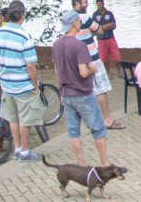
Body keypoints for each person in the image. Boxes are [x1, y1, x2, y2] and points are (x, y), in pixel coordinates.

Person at [52, 9, 110, 167]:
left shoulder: (56, 44)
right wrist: (93, 68)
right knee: (98, 129)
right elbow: (83, 72)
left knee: (73, 131)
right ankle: (105, 163)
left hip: (66, 93)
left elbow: (57, 72)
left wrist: (61, 93)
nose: (80, 23)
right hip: (82, 93)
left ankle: (81, 163)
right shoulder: (79, 45)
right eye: (78, 21)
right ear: (74, 24)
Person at [0, 0, 44, 162]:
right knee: (25, 119)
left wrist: (2, 73)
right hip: (23, 85)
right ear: (22, 14)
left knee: (13, 118)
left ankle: (17, 148)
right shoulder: (24, 36)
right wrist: (35, 86)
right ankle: (25, 151)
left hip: (7, 84)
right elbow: (31, 66)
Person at [72, 0, 123, 130]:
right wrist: (91, 31)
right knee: (101, 89)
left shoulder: (70, 18)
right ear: (77, 3)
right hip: (92, 58)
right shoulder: (85, 17)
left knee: (83, 90)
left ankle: (89, 120)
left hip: (77, 60)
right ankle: (107, 119)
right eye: (85, 2)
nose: (87, 4)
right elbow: (99, 31)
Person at [92, 0, 120, 80]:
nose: (99, 7)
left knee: (116, 55)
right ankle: (108, 72)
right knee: (104, 57)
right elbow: (96, 28)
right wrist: (107, 26)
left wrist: (103, 27)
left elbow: (114, 25)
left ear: (103, 4)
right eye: (98, 5)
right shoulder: (95, 15)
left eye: (100, 5)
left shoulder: (109, 13)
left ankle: (119, 70)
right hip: (101, 39)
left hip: (111, 37)